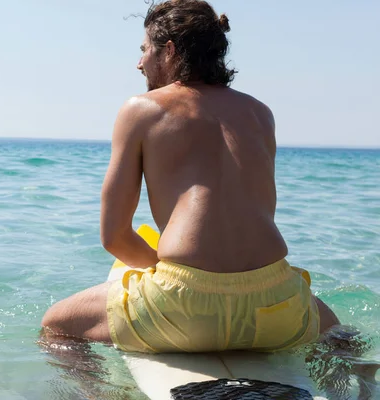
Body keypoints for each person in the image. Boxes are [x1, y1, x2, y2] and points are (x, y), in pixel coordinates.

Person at [41, 0, 340, 353]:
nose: (139, 63)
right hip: (275, 303)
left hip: (184, 309)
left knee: (56, 327)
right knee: (341, 337)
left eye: (144, 50)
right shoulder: (261, 113)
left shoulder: (142, 109)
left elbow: (115, 237)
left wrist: (173, 272)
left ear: (168, 51)